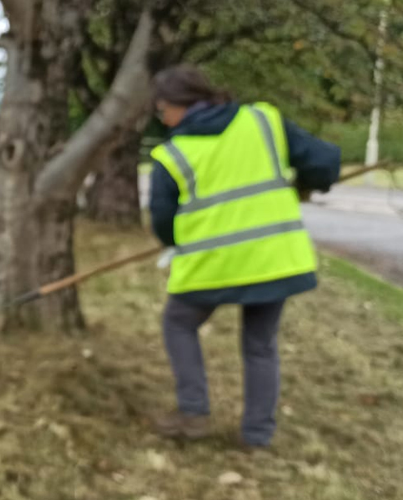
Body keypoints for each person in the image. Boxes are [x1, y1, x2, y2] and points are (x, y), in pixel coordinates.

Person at [146, 65, 341, 450]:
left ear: (179, 105)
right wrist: (305, 184)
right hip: (273, 261)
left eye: (161, 110)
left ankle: (193, 411)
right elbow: (325, 163)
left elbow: (163, 223)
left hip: (210, 267)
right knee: (260, 345)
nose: (162, 119)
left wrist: (181, 239)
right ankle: (256, 436)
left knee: (178, 324)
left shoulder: (171, 155)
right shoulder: (263, 121)